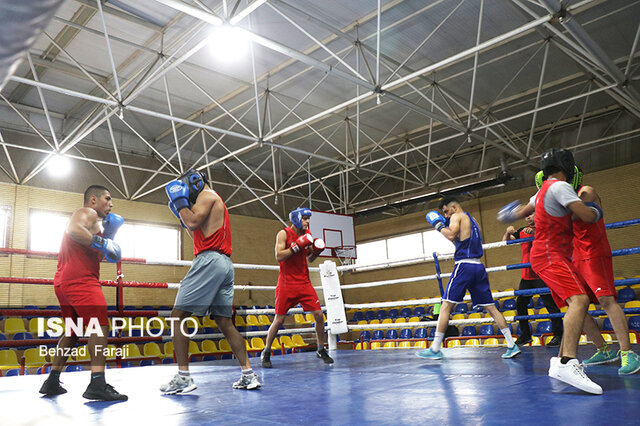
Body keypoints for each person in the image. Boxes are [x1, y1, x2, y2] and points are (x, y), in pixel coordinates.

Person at [498, 148, 604, 394]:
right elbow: (587, 216)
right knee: (580, 300)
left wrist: (507, 214)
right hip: (550, 254)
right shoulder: (561, 186)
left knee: (573, 303)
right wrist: (596, 210)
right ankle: (568, 361)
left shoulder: (540, 193)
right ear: (567, 166)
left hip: (546, 255)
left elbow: (518, 214)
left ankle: (559, 360)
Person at [161, 169, 260, 394]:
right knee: (225, 322)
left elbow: (193, 222)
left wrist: (179, 204)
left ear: (194, 183)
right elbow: (197, 231)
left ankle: (183, 376)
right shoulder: (213, 200)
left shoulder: (206, 195)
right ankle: (248, 374)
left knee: (177, 317)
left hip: (209, 260)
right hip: (224, 264)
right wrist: (181, 212)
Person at [39, 185, 127, 401]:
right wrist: (104, 241)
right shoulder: (86, 213)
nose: (111, 203)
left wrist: (108, 239)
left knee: (72, 331)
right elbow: (73, 231)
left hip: (64, 282)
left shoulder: (95, 226)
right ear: (93, 200)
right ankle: (97, 382)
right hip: (80, 281)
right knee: (100, 326)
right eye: (108, 198)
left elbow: (97, 253)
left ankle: (51, 381)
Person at [417, 197, 521, 360]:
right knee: (491, 308)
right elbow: (463, 242)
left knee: (445, 306)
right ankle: (511, 344)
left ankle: (435, 348)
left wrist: (438, 225)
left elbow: (451, 235)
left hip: (464, 266)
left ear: (453, 207)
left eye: (445, 211)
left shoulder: (457, 216)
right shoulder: (474, 221)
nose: (446, 215)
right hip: (478, 267)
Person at [570, 176, 639, 374]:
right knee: (577, 304)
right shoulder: (563, 198)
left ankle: (628, 353)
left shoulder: (587, 191)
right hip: (577, 256)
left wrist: (544, 209)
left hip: (594, 252)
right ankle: (604, 350)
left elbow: (574, 213)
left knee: (606, 301)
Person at [261, 207, 334, 368]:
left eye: (309, 219)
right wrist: (296, 246)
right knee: (279, 320)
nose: (308, 222)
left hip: (304, 283)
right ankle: (266, 352)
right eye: (305, 218)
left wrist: (317, 251)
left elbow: (310, 258)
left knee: (319, 315)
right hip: (286, 284)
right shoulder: (283, 234)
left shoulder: (307, 235)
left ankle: (321, 349)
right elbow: (279, 256)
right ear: (296, 218)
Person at [502, 213, 563, 347]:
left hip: (542, 273)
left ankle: (558, 335)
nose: (528, 217)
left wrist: (536, 232)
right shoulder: (523, 231)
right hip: (526, 276)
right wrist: (508, 232)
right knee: (520, 305)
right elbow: (506, 241)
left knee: (550, 305)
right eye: (526, 215)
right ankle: (525, 335)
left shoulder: (545, 228)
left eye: (531, 214)